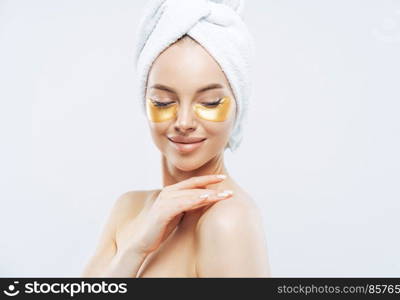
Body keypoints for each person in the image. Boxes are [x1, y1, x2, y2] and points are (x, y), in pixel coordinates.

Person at [82, 0, 270, 277]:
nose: (183, 123)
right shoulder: (128, 210)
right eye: (162, 102)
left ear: (237, 106)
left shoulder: (227, 221)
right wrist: (135, 249)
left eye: (210, 102)